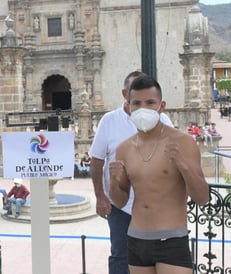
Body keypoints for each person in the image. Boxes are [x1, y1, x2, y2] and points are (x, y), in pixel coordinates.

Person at [109, 75, 209, 274]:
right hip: (136, 238)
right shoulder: (124, 149)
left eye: (150, 103)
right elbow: (120, 202)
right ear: (128, 107)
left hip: (171, 240)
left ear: (161, 106)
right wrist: (113, 182)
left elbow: (202, 198)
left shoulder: (182, 142)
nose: (143, 108)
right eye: (136, 103)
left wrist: (182, 164)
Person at [89, 71, 174, 274]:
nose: (142, 104)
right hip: (121, 208)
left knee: (154, 255)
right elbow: (96, 160)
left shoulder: (164, 121)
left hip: (156, 206)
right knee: (121, 255)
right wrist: (100, 196)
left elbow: (175, 159)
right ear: (125, 94)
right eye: (137, 96)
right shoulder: (109, 121)